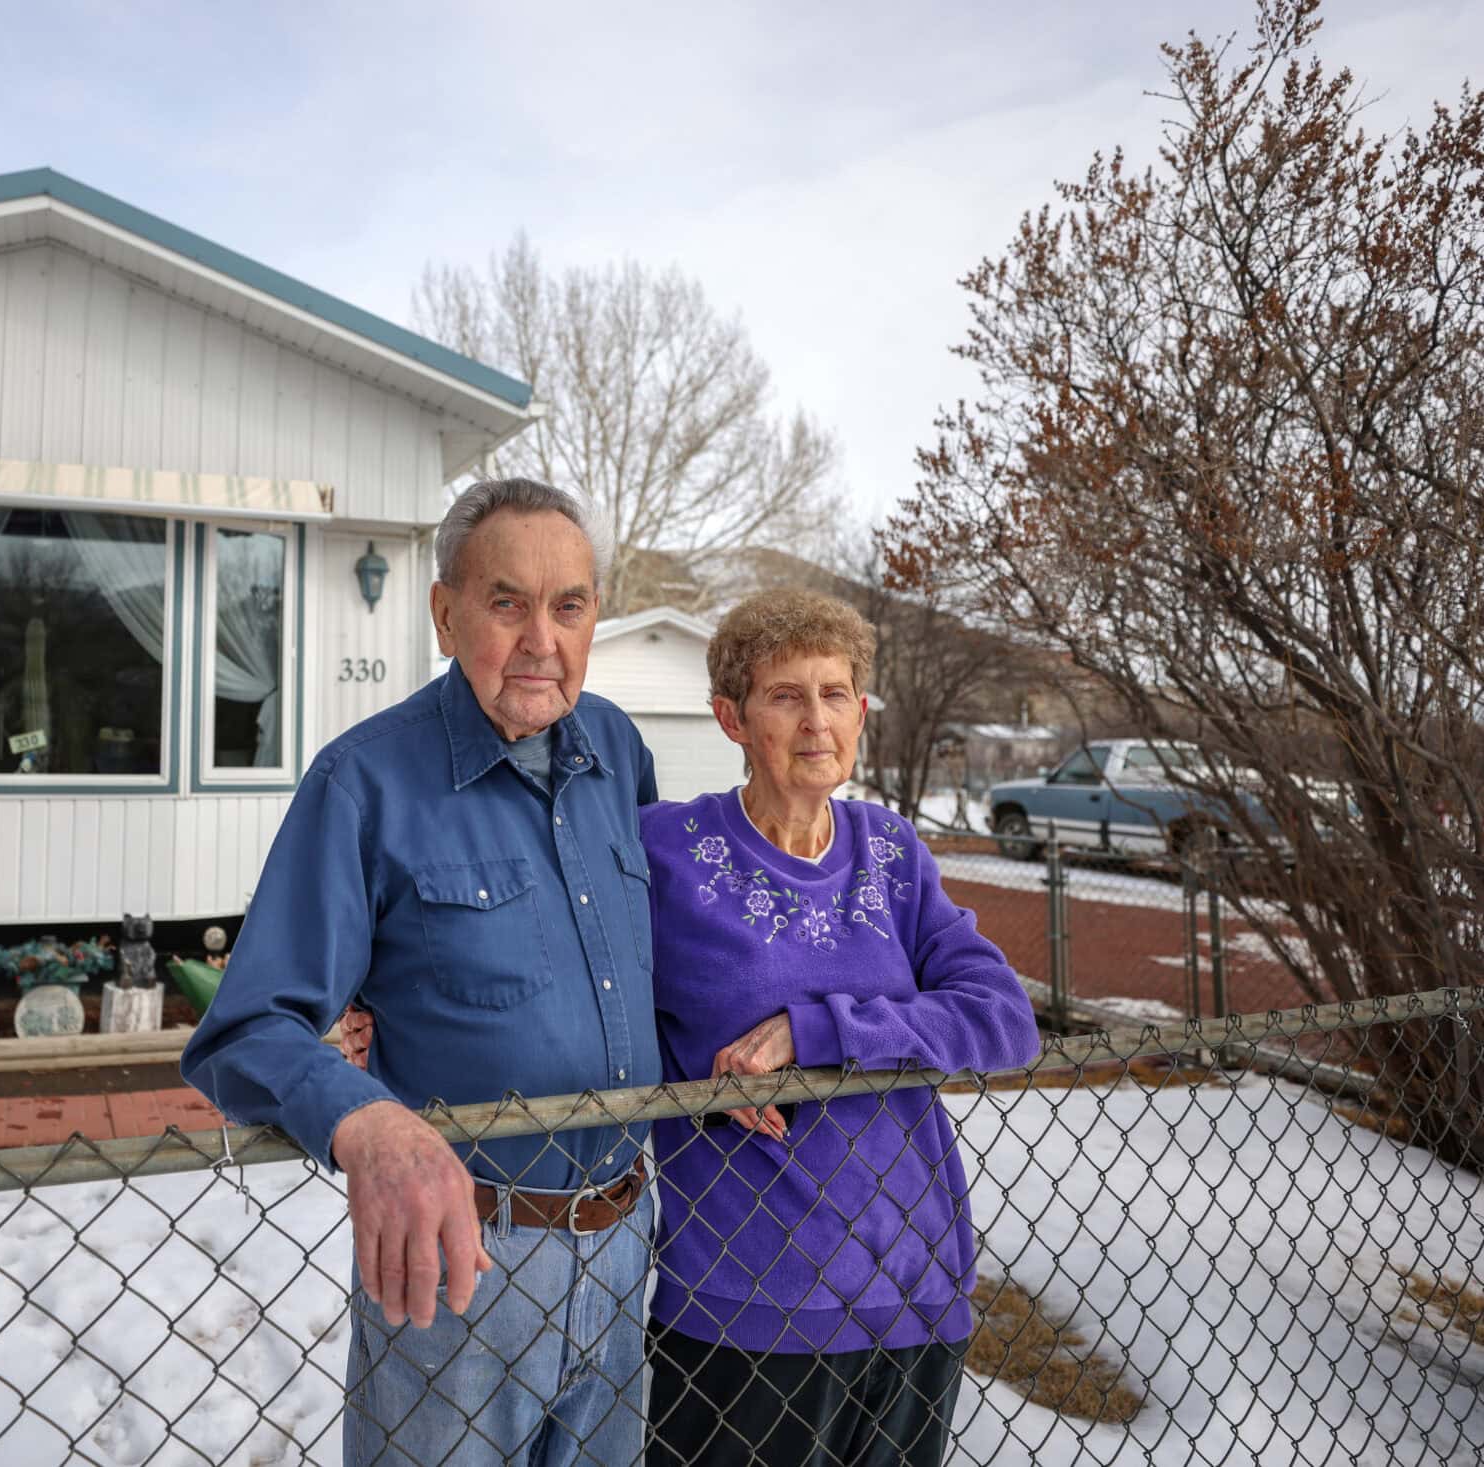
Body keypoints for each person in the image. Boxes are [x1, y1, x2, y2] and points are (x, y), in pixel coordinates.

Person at [182, 477, 661, 1466]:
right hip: (457, 1268)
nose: (541, 640)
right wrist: (368, 1123)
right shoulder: (362, 781)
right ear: (444, 613)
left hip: (625, 1249)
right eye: (506, 602)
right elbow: (244, 1030)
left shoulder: (617, 747)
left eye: (568, 605)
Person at [638, 587, 1039, 1466]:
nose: (817, 720)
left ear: (861, 711)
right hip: (743, 1300)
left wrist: (813, 1031)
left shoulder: (890, 850)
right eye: (785, 695)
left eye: (835, 694)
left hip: (916, 1289)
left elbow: (1005, 1020)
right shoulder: (665, 851)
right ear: (731, 718)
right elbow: (576, 984)